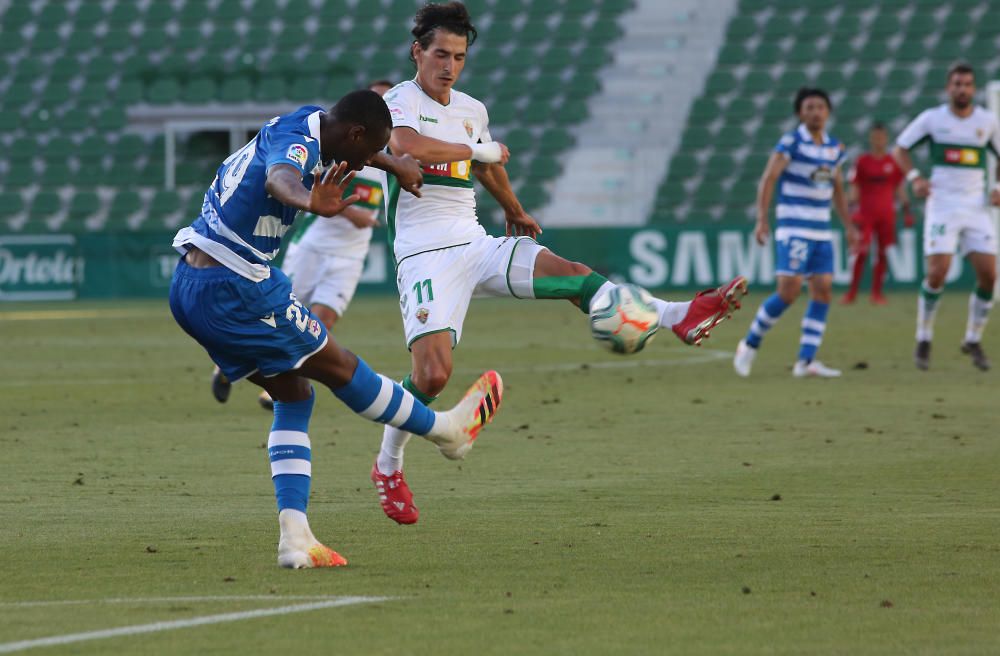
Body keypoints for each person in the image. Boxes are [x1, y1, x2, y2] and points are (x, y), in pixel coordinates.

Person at [370, 1, 748, 526]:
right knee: (432, 377)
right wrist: (479, 153)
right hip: (424, 254)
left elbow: (485, 169)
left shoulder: (471, 110)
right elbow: (408, 146)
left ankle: (677, 314)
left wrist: (514, 208)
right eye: (440, 53)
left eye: (458, 56)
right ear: (418, 51)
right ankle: (387, 465)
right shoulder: (398, 102)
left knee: (571, 275)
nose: (449, 66)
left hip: (474, 243)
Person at [168, 90, 503, 569]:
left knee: (295, 394)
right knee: (339, 366)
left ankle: (295, 538)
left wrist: (396, 165)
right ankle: (446, 431)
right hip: (233, 286)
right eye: (368, 153)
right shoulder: (298, 150)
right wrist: (311, 201)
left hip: (190, 284)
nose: (368, 163)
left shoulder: (310, 119)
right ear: (354, 134)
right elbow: (281, 176)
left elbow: (347, 147)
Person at [212, 80, 395, 411]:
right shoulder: (333, 145)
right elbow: (285, 178)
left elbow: (380, 166)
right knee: (273, 318)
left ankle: (276, 389)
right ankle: (229, 364)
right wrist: (331, 207)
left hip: (351, 255)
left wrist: (398, 165)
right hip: (314, 244)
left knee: (322, 321)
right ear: (357, 127)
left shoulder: (371, 154)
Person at [733, 87, 858, 378]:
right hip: (794, 229)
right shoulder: (791, 143)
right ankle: (748, 345)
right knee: (788, 292)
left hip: (822, 232)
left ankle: (806, 362)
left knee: (823, 291)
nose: (815, 112)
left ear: (828, 112)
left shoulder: (834, 148)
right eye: (809, 107)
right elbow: (769, 178)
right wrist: (762, 219)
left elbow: (837, 189)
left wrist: (849, 226)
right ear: (800, 113)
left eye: (820, 107)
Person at [892, 62, 1000, 371]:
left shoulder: (987, 121)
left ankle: (973, 339)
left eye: (967, 84)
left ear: (973, 88)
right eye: (957, 84)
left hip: (976, 205)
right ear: (948, 87)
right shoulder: (932, 119)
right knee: (938, 272)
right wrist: (914, 177)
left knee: (989, 275)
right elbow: (900, 149)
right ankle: (924, 336)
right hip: (942, 204)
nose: (962, 89)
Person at [841, 122, 912, 305]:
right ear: (871, 138)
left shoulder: (892, 162)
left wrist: (906, 210)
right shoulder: (862, 161)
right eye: (876, 137)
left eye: (882, 137)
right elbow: (854, 188)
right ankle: (852, 292)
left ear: (886, 138)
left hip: (886, 214)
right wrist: (850, 213)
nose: (879, 140)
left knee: (882, 253)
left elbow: (899, 188)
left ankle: (876, 293)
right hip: (865, 214)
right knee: (861, 252)